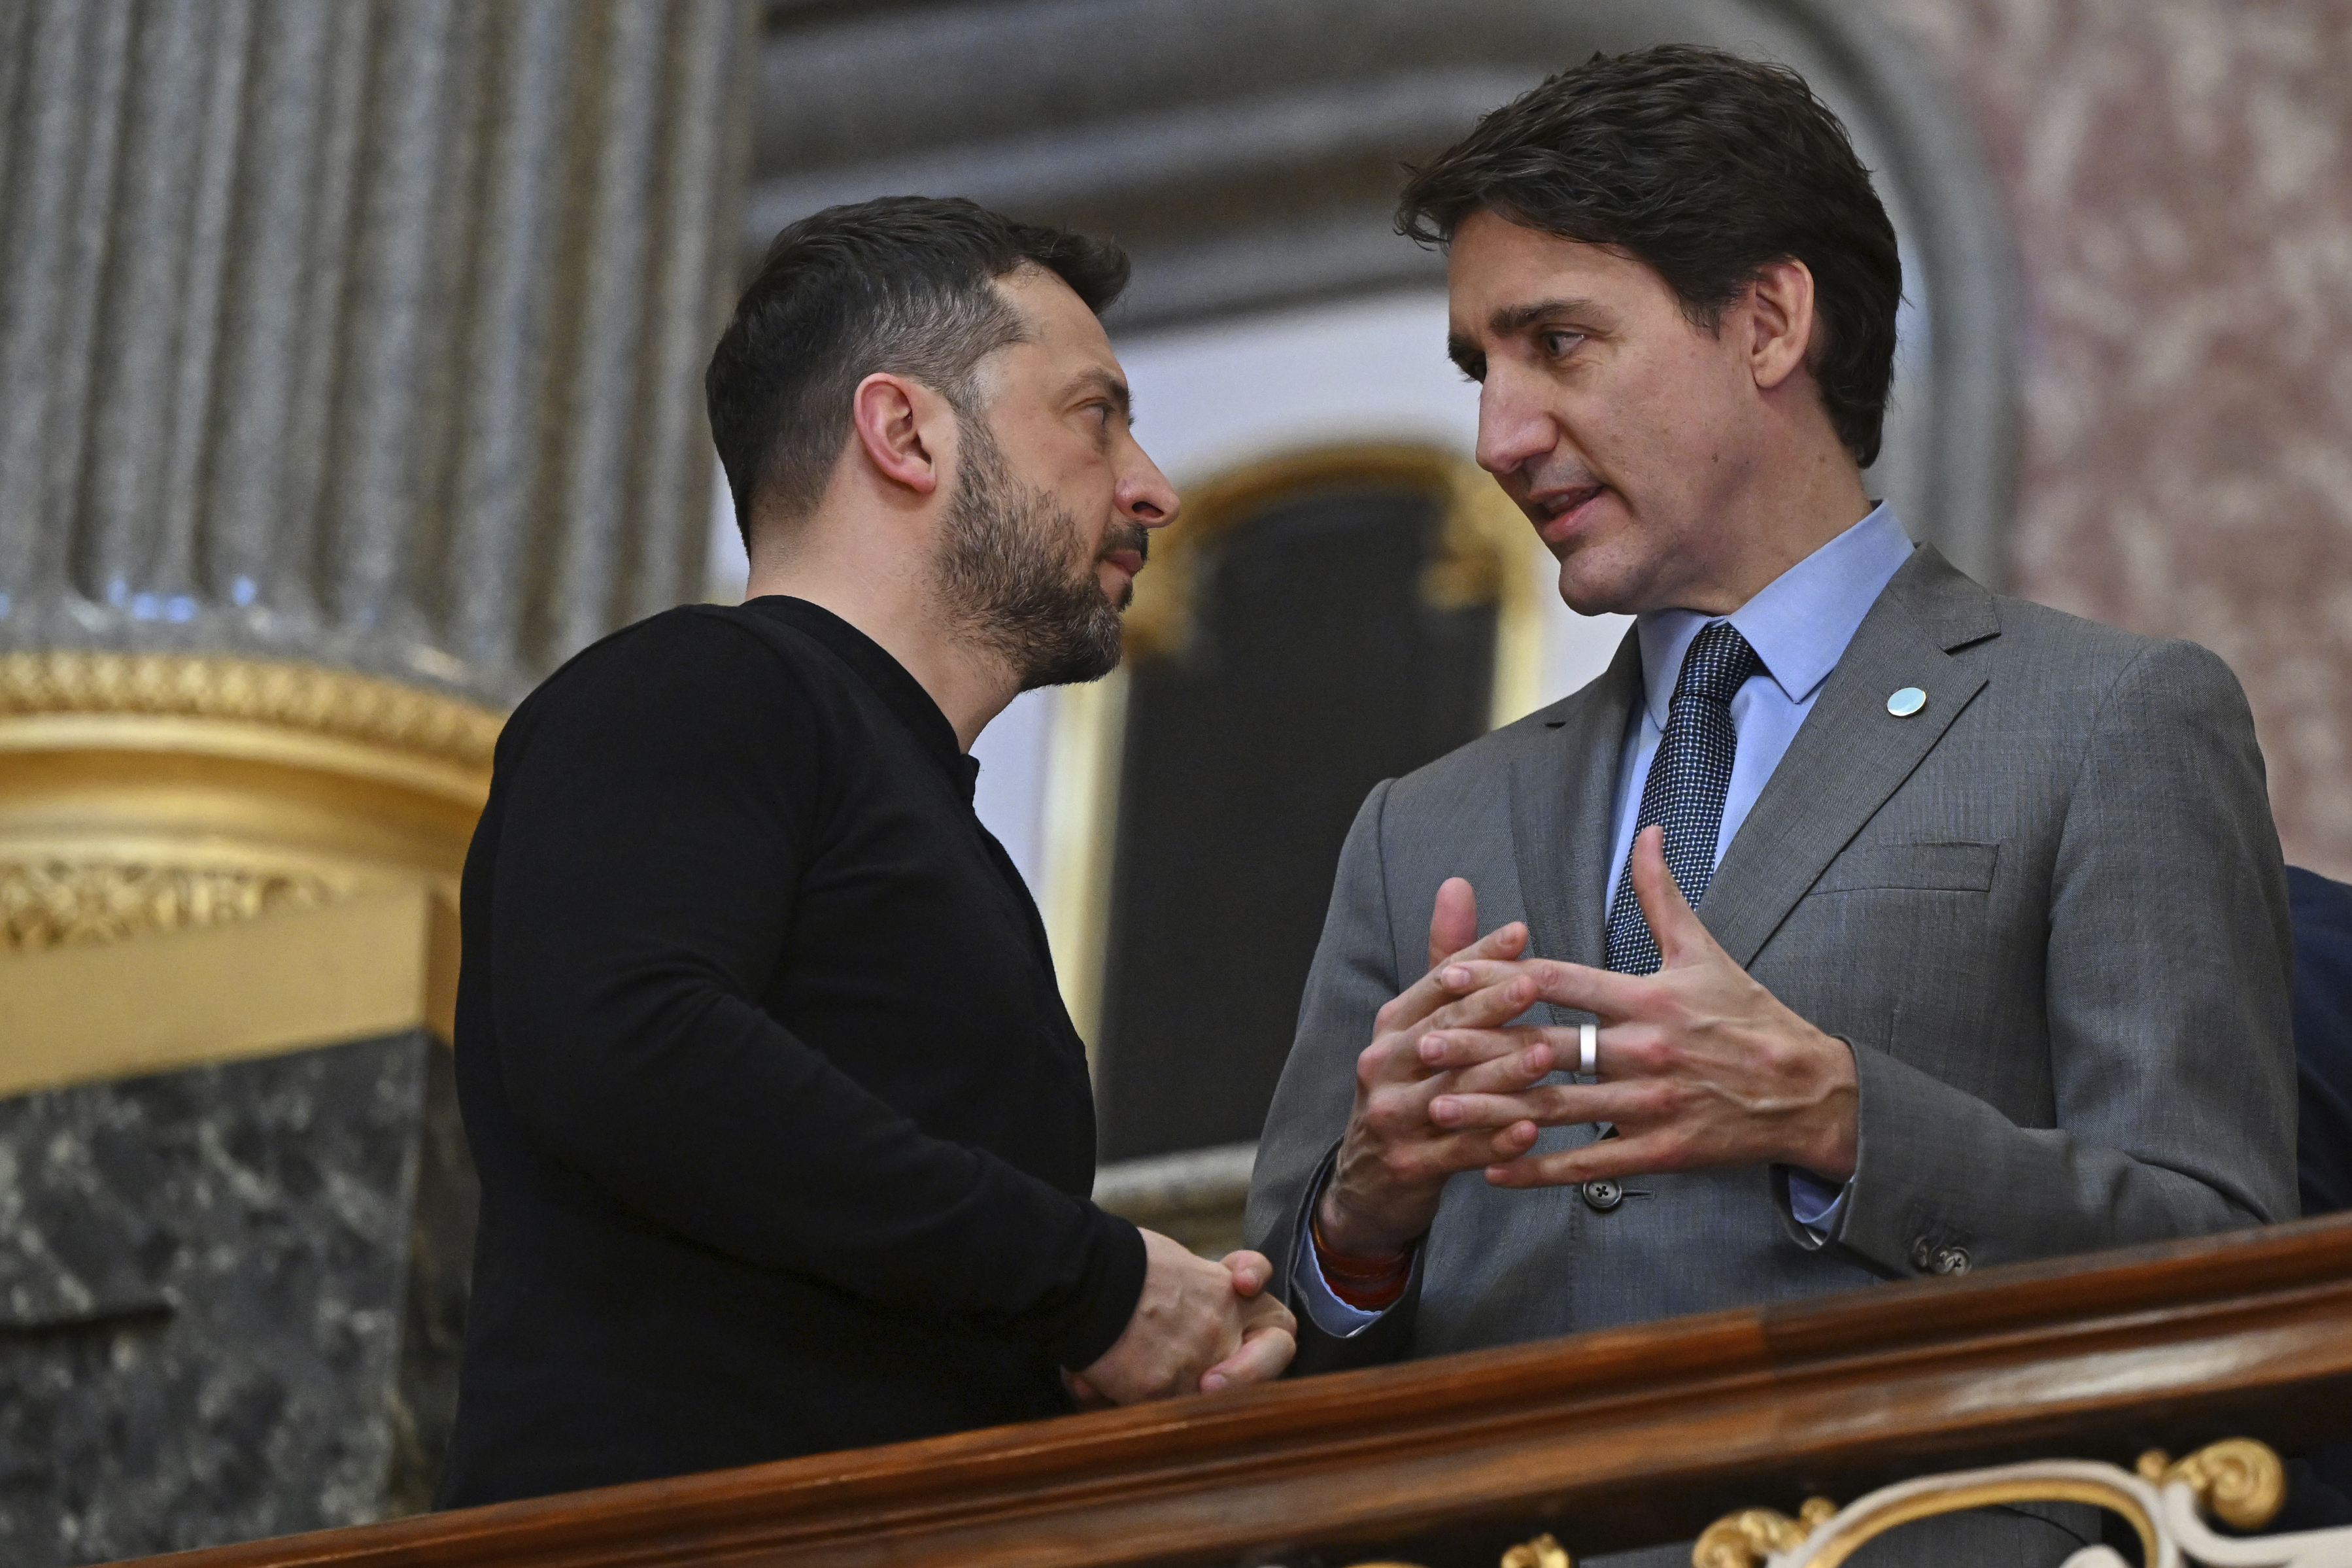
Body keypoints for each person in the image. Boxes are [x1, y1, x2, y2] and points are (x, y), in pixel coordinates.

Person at [1244, 45, 2295, 1566]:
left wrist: (1837, 1117)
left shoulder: (2108, 719)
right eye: (1481, 370)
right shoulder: (1420, 824)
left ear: (1765, 321)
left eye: (1556, 343)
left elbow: (2224, 1274)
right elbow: (1265, 1378)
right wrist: (1361, 1223)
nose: (1497, 438)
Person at [441, 197, 1294, 1507]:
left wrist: (1115, 1337)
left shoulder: (931, 821)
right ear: (904, 432)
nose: (1151, 485)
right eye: (1094, 413)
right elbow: (630, 1043)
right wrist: (1083, 1280)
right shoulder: (693, 683)